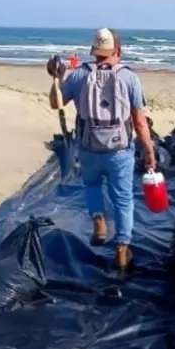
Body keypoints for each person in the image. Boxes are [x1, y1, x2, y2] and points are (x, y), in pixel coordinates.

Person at [47, 28, 156, 269]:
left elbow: (56, 104)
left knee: (92, 185)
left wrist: (57, 79)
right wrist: (149, 149)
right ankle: (122, 248)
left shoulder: (79, 75)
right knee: (123, 199)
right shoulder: (129, 77)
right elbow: (139, 121)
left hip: (89, 146)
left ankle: (98, 222)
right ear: (118, 50)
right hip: (120, 150)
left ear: (94, 51)